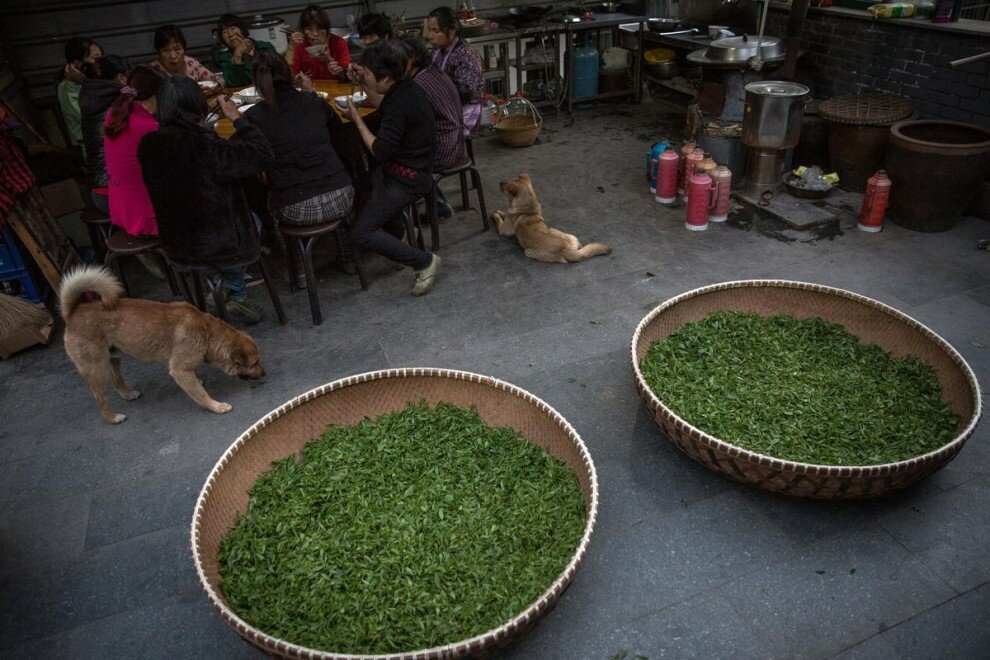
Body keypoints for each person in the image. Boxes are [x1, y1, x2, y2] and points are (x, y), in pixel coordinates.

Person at [138, 77, 273, 324]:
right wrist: (239, 120)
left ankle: (219, 285)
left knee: (219, 228)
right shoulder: (206, 145)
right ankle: (235, 290)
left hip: (178, 244)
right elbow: (261, 155)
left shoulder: (148, 145)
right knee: (254, 220)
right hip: (222, 244)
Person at [244, 51, 355, 289]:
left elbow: (247, 159)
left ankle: (300, 272)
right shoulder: (314, 100)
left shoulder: (253, 117)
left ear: (258, 83)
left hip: (296, 207)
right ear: (290, 73)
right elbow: (341, 137)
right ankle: (348, 258)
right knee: (338, 210)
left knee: (275, 211)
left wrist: (236, 119)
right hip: (342, 196)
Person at [342, 40, 440, 296]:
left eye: (369, 72)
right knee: (358, 188)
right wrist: (364, 79)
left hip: (408, 177)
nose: (365, 75)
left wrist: (356, 120)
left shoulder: (400, 102)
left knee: (361, 233)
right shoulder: (403, 88)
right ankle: (401, 236)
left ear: (385, 78)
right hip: (398, 169)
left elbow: (380, 150)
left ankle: (424, 261)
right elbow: (380, 103)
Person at [400, 35, 464, 219]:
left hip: (445, 149)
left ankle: (403, 219)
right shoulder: (431, 70)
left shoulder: (417, 84)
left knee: (395, 160)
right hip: (455, 142)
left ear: (411, 59)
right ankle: (439, 203)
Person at [103, 65, 165, 242]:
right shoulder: (149, 128)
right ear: (157, 94)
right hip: (145, 214)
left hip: (121, 208)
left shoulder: (114, 115)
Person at [80, 55, 131, 214]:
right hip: (114, 194)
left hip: (97, 189)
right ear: (122, 78)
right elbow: (140, 91)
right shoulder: (120, 98)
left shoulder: (91, 94)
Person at [426, 6, 484, 136]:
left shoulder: (467, 55)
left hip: (465, 112)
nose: (430, 36)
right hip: (445, 107)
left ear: (452, 31)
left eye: (435, 31)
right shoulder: (437, 50)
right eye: (429, 30)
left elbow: (465, 93)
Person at [57, 37, 102, 151]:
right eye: (96, 59)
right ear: (76, 64)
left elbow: (131, 93)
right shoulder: (68, 88)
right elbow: (93, 118)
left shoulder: (105, 78)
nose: (100, 64)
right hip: (98, 147)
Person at [285, 5, 350, 81]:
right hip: (308, 90)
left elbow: (347, 75)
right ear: (303, 31)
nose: (315, 34)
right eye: (309, 29)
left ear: (326, 29)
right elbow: (287, 76)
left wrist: (328, 59)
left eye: (319, 28)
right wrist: (291, 47)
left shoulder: (339, 42)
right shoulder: (300, 45)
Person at [216, 14, 277, 87]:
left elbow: (279, 70)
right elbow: (234, 83)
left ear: (242, 29)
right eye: (225, 32)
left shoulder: (265, 47)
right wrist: (237, 56)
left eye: (233, 28)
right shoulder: (225, 58)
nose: (230, 34)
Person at [149, 25, 220, 83]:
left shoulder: (191, 63)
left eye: (177, 49)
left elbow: (218, 81)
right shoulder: (153, 72)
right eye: (166, 51)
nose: (173, 56)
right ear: (158, 53)